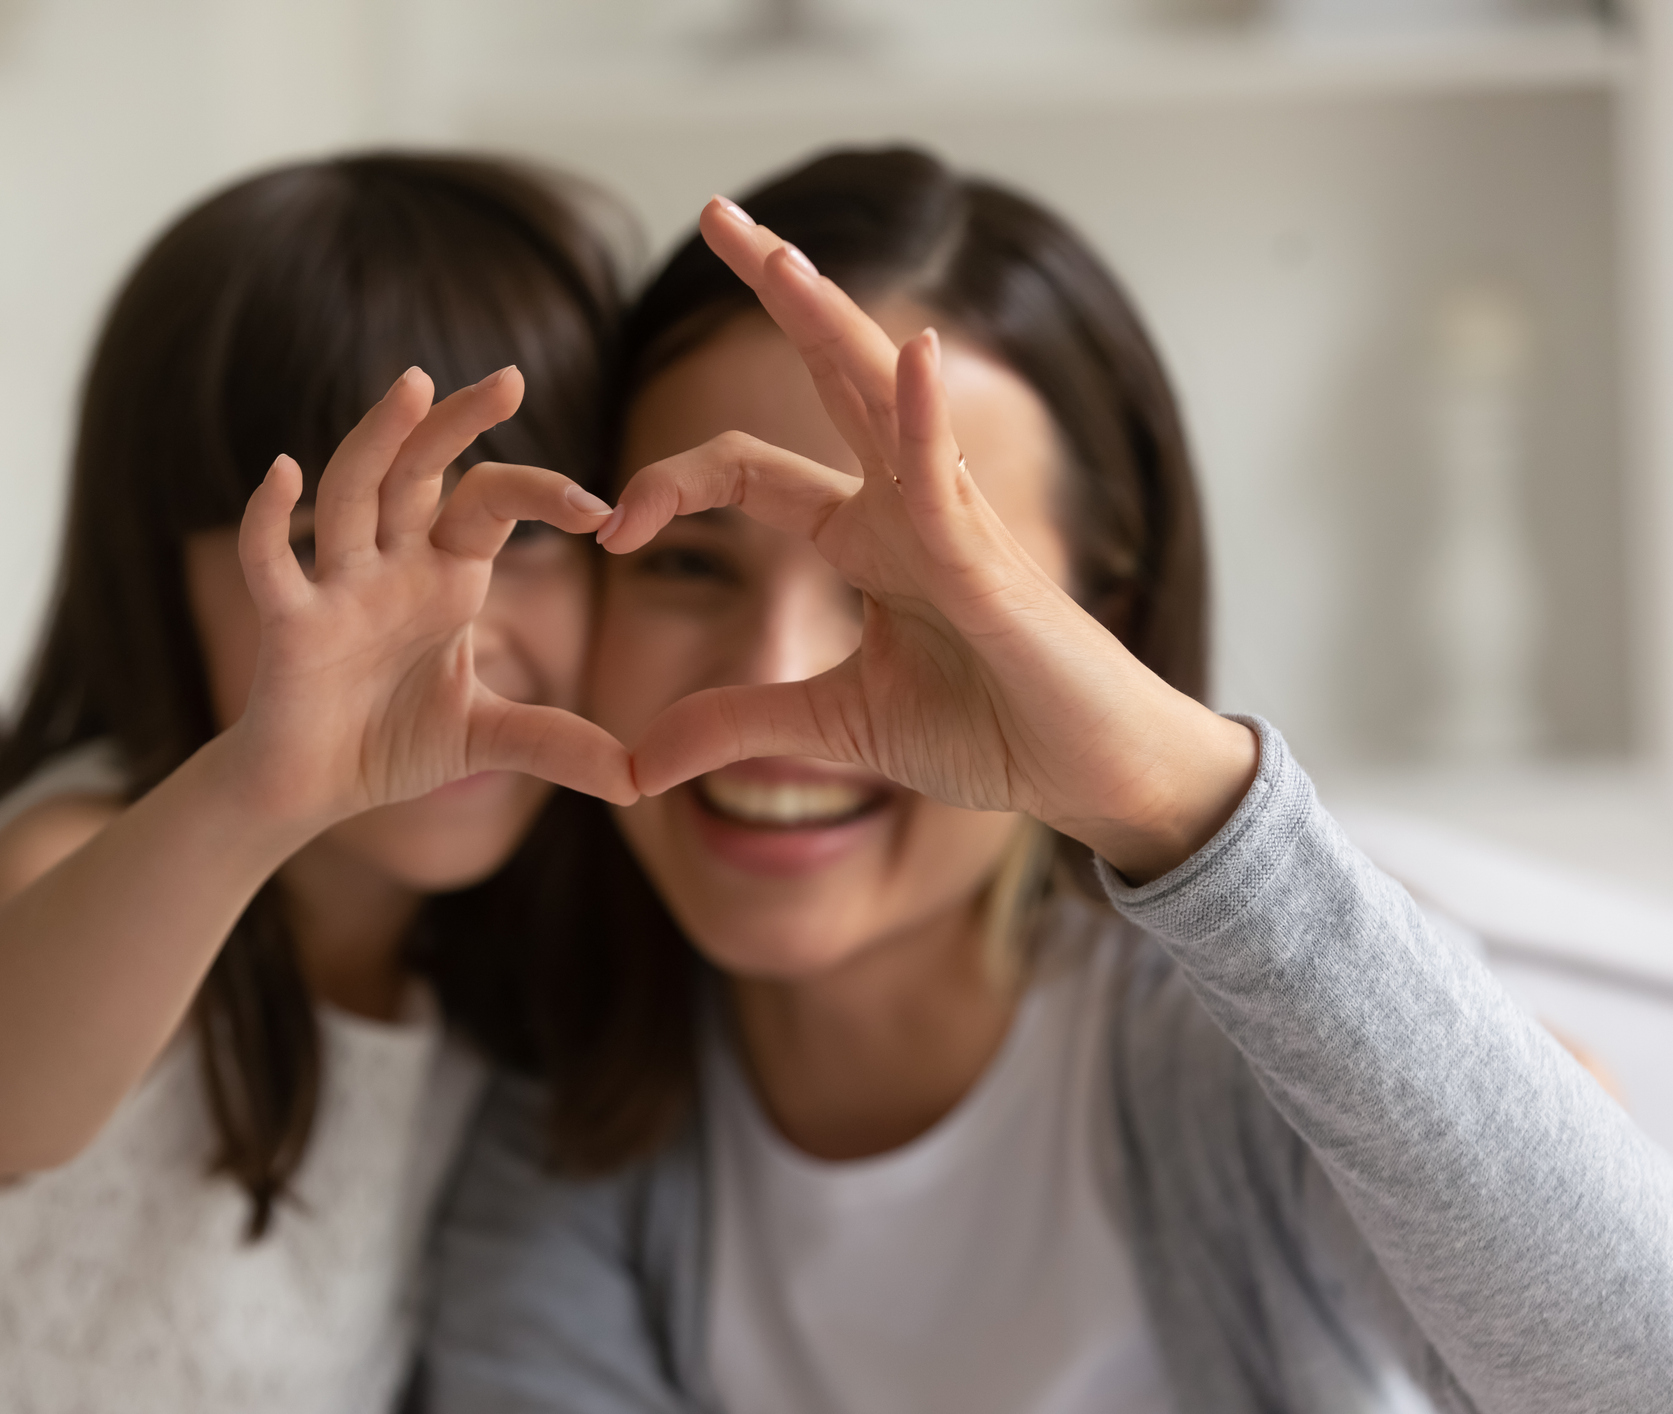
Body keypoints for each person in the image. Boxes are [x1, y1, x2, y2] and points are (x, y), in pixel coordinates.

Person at [421, 148, 1673, 1413]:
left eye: (909, 593)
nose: (776, 681)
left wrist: (1175, 795)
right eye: (686, 568)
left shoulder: (1269, 1053)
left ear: (1103, 627)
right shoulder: (557, 1136)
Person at [0, 153, 635, 1414]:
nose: (450, 636)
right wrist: (264, 789)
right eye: (344, 553)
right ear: (159, 577)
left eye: (525, 540)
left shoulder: (476, 977)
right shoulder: (70, 853)